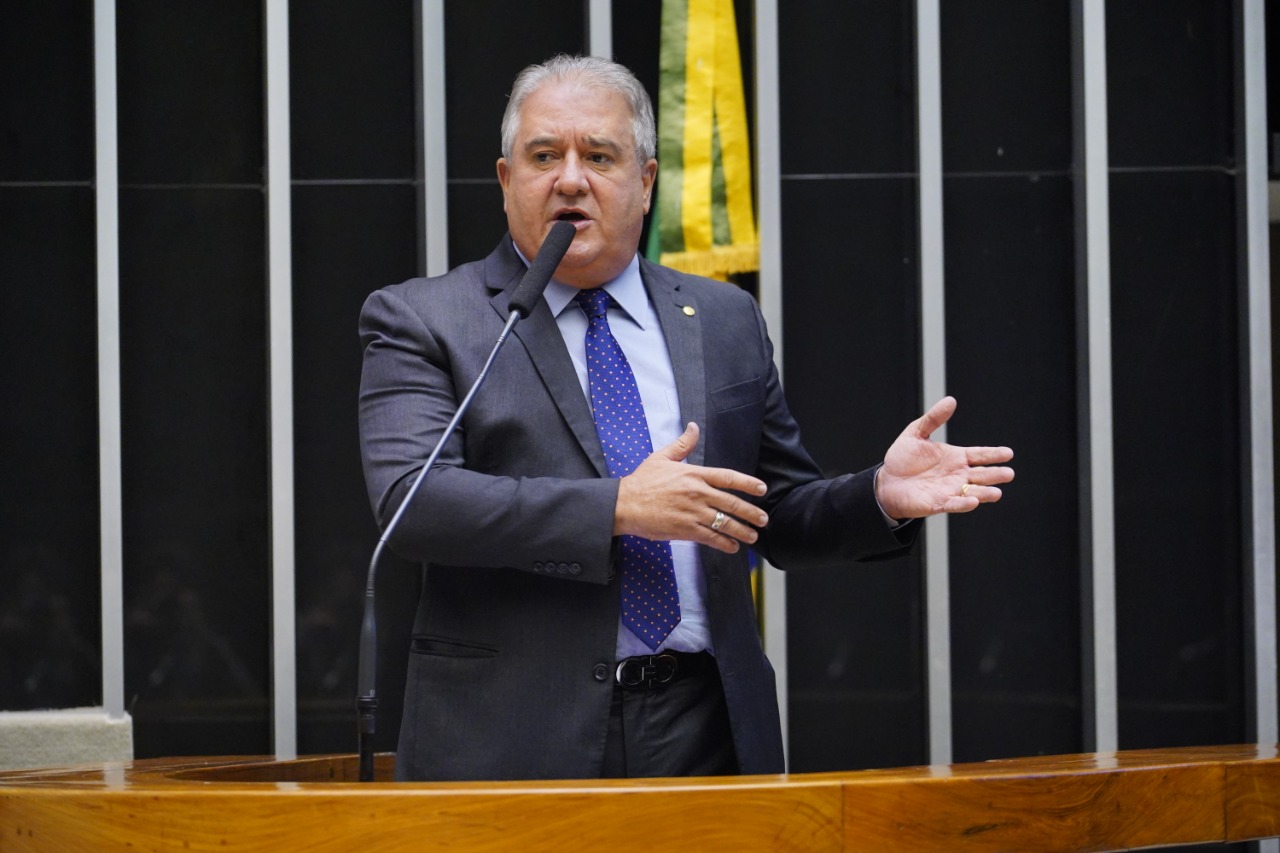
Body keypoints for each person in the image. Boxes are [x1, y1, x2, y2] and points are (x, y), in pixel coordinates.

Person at [358, 54, 1014, 782]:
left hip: (706, 726)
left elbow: (773, 511)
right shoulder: (427, 319)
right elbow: (414, 502)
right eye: (543, 157)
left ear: (645, 182)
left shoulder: (724, 318)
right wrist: (618, 507)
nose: (570, 179)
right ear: (506, 179)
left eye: (598, 156)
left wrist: (879, 497)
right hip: (511, 732)